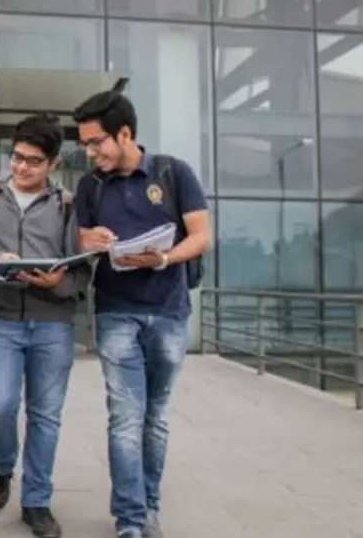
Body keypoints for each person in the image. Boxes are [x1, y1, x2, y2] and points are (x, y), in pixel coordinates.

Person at [72, 91, 211, 538]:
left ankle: (149, 505)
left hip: (169, 312)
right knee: (127, 416)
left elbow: (201, 236)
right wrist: (88, 240)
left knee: (156, 416)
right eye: (86, 145)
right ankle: (131, 521)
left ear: (125, 133)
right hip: (115, 312)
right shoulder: (90, 185)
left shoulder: (174, 172)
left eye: (97, 143)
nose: (91, 153)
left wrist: (165, 259)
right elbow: (80, 242)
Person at [0, 114, 90, 538]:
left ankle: (36, 501)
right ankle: (2, 464)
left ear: (53, 164)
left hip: (53, 323)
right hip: (1, 317)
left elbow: (83, 269)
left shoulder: (69, 205)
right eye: (17, 157)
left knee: (45, 416)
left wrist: (61, 282)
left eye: (33, 161)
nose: (21, 168)